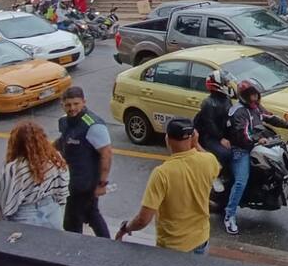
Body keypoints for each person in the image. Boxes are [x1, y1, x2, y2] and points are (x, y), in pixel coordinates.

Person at [115, 118, 220, 253]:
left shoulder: (162, 173)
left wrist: (125, 228)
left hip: (173, 247)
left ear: (167, 139)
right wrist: (196, 144)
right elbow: (216, 166)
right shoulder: (208, 161)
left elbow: (143, 219)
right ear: (193, 137)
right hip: (201, 241)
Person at [222, 81, 288, 235]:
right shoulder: (239, 112)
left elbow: (270, 117)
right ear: (245, 96)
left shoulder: (256, 107)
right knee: (241, 181)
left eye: (256, 93)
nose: (255, 97)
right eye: (252, 94)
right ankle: (229, 215)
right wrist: (256, 140)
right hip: (241, 149)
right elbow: (243, 134)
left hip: (256, 145)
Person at [55, 87, 112, 238]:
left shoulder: (93, 125)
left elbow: (106, 154)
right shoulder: (64, 121)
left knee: (72, 222)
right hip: (71, 180)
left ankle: (74, 252)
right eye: (68, 105)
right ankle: (108, 244)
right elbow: (63, 141)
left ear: (84, 102)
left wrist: (101, 184)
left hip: (85, 184)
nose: (72, 108)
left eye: (76, 104)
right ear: (62, 104)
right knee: (91, 213)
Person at [0, 121, 69, 229]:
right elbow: (63, 189)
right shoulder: (55, 159)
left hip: (26, 213)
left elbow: (4, 200)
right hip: (52, 209)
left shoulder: (15, 167)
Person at [193, 69, 235, 172]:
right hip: (211, 137)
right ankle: (216, 174)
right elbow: (210, 124)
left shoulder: (226, 99)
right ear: (218, 85)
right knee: (225, 154)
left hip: (223, 134)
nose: (229, 84)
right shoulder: (208, 103)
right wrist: (221, 139)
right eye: (226, 82)